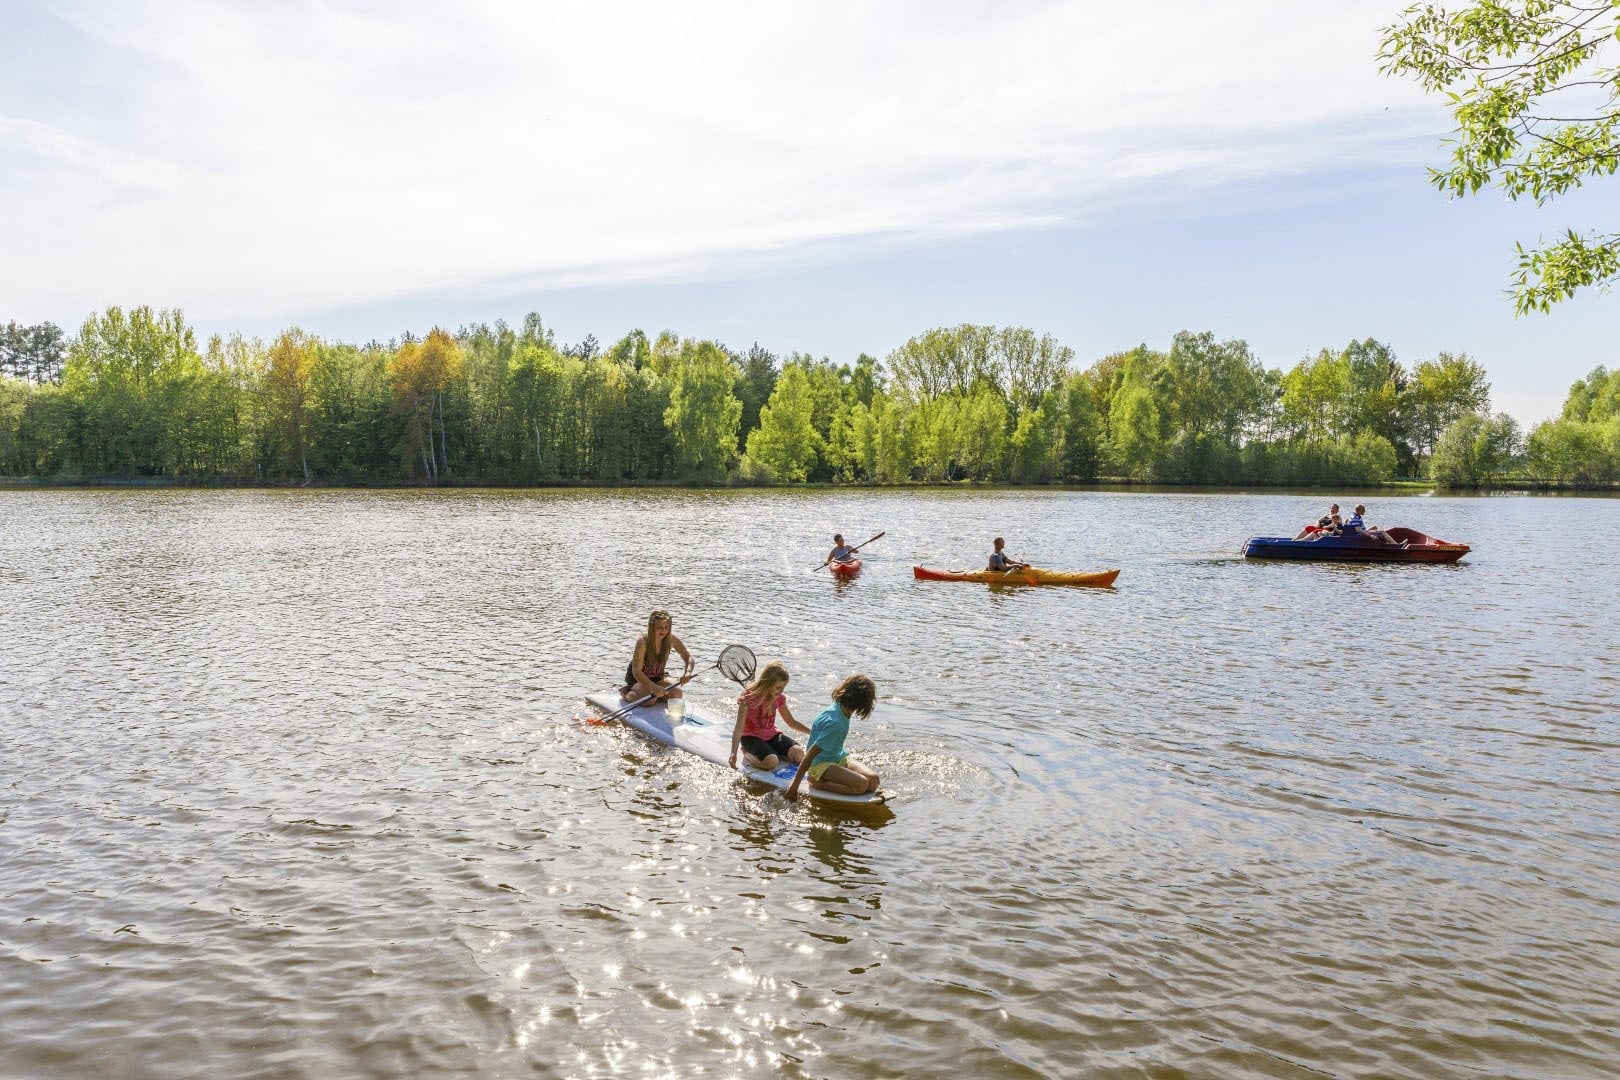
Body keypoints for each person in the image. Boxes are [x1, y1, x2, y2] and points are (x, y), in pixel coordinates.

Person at [785, 674, 881, 799]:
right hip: (820, 765)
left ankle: (843, 779)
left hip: (838, 758)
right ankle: (816, 782)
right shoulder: (835, 723)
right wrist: (794, 788)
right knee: (861, 785)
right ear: (862, 703)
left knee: (874, 781)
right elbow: (809, 755)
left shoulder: (842, 707)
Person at [729, 662, 810, 772]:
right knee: (771, 763)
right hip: (750, 737)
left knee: (799, 754)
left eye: (783, 688)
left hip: (772, 735)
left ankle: (774, 753)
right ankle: (747, 754)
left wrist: (812, 732)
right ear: (768, 683)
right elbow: (739, 728)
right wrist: (733, 752)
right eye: (778, 687)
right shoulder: (747, 698)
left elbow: (792, 723)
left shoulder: (779, 698)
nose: (781, 691)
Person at [621, 608, 692, 704]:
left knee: (677, 694)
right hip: (638, 679)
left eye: (667, 627)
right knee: (649, 700)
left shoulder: (671, 639)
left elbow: (688, 656)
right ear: (652, 627)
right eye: (660, 627)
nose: (664, 631)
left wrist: (688, 672)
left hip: (658, 676)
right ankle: (627, 693)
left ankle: (654, 694)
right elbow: (636, 672)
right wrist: (653, 688)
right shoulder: (642, 642)